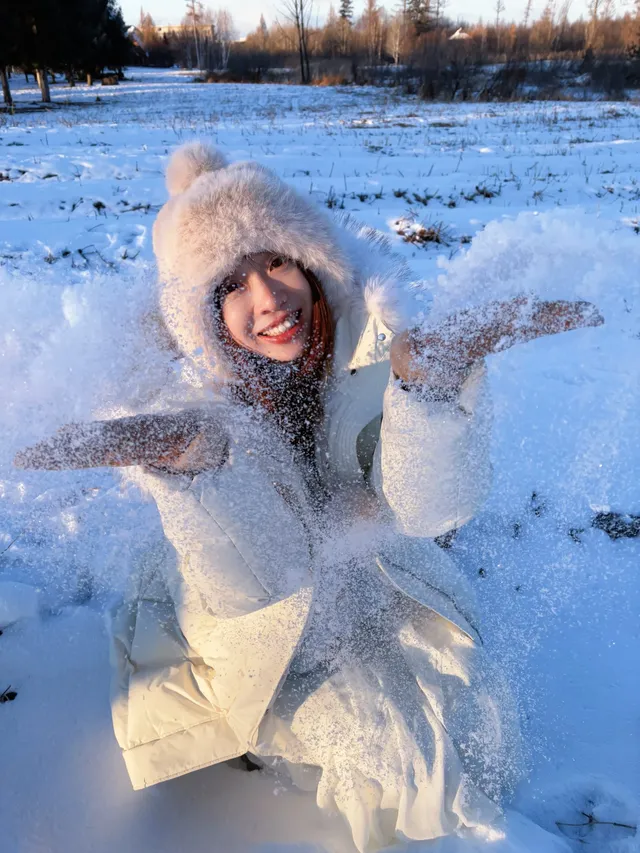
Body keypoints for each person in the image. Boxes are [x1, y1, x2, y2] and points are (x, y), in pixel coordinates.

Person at [15, 142, 602, 853]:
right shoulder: (190, 389)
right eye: (231, 283)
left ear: (315, 265)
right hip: (245, 605)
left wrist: (425, 391)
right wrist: (200, 463)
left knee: (475, 727)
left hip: (375, 579)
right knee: (387, 756)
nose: (267, 297)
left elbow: (426, 510)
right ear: (202, 311)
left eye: (278, 261)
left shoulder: (372, 346)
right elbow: (252, 584)